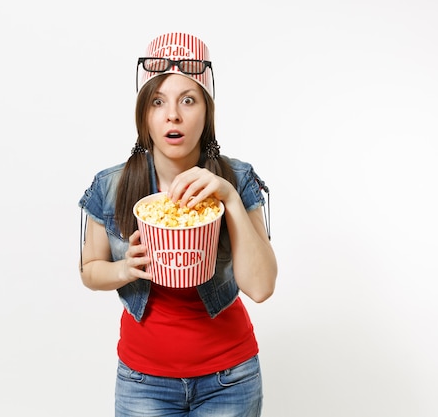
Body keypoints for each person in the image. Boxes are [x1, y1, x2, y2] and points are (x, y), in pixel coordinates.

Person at [78, 32, 277, 417]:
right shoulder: (111, 185)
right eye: (158, 101)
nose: (174, 114)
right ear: (144, 115)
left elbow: (262, 286)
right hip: (143, 383)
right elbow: (89, 270)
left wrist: (229, 198)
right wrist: (124, 268)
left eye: (188, 100)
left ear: (207, 111)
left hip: (230, 380)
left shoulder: (237, 178)